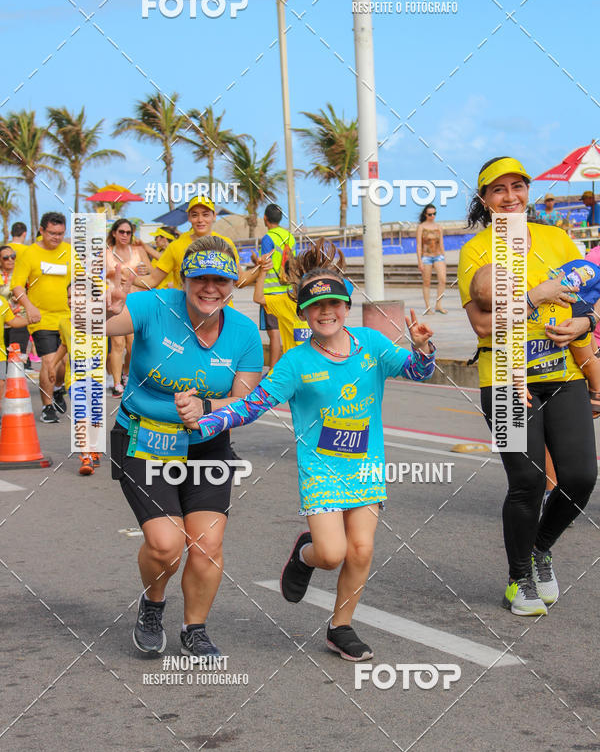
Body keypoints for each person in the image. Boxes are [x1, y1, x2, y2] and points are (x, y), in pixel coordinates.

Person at [175, 240, 436, 661]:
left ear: (346, 306)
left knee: (361, 549)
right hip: (322, 470)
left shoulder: (372, 344)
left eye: (333, 303)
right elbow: (252, 405)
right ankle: (304, 554)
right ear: (303, 313)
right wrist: (205, 421)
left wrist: (422, 349)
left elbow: (417, 372)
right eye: (316, 306)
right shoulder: (295, 363)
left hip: (366, 466)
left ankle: (341, 627)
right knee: (331, 555)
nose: (326, 312)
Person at [108, 235, 263, 658]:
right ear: (183, 279)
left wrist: (206, 407)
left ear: (233, 284)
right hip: (144, 439)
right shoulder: (153, 305)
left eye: (221, 280)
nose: (210, 288)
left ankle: (194, 628)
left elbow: (246, 402)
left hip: (207, 446)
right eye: (200, 279)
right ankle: (153, 604)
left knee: (207, 545)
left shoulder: (245, 332)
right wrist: (103, 308)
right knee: (166, 544)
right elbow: (102, 326)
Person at [458, 156, 597, 616]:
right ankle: (518, 579)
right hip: (503, 380)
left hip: (564, 375)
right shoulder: (475, 251)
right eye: (498, 189)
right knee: (527, 481)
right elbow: (483, 326)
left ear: (527, 191)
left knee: (580, 477)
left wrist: (586, 323)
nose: (510, 196)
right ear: (484, 199)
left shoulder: (557, 239)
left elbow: (589, 295)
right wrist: (536, 296)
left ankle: (540, 548)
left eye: (517, 186)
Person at [469, 260, 600, 414]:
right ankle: (596, 390)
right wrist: (520, 384)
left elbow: (550, 279)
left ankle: (596, 386)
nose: (514, 281)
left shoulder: (528, 285)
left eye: (508, 275)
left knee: (588, 359)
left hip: (574, 316)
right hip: (569, 324)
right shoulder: (513, 326)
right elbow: (515, 357)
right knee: (588, 359)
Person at [11, 211, 72, 423]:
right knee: (48, 361)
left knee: (64, 365)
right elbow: (17, 285)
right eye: (52, 233)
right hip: (41, 318)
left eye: (60, 234)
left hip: (67, 318)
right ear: (42, 230)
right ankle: (47, 407)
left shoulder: (69, 251)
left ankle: (58, 388)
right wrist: (28, 306)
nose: (56, 237)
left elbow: (82, 279)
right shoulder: (30, 253)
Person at [48, 283, 105, 475]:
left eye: (78, 296)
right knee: (82, 415)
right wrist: (52, 364)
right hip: (75, 380)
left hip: (96, 379)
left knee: (95, 419)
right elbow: (64, 345)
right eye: (69, 297)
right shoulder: (64, 322)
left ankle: (93, 448)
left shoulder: (100, 320)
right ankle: (86, 456)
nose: (72, 301)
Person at [143, 196, 240, 290]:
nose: (200, 220)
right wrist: (133, 277)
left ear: (214, 216)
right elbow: (153, 280)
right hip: (185, 301)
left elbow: (239, 279)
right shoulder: (176, 246)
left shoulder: (226, 244)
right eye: (195, 215)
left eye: (205, 215)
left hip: (221, 301)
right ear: (189, 217)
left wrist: (252, 272)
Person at [105, 218, 153, 397]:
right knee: (117, 344)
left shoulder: (138, 251)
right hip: (115, 302)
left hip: (136, 301)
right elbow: (93, 275)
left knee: (133, 346)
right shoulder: (106, 252)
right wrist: (111, 273)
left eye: (128, 232)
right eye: (121, 232)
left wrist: (144, 272)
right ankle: (117, 383)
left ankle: (126, 374)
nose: (125, 235)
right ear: (114, 233)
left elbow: (151, 272)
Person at [257, 204, 296, 366]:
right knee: (286, 330)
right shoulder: (290, 236)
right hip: (288, 291)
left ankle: (273, 370)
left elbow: (265, 262)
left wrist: (256, 262)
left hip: (270, 292)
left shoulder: (268, 238)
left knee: (274, 333)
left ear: (265, 218)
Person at [253, 254, 310, 353]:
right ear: (287, 277)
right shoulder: (284, 300)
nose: (300, 278)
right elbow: (258, 298)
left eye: (303, 273)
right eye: (296, 274)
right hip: (293, 361)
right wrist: (263, 271)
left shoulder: (318, 299)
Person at [416, 204, 447, 314]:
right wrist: (419, 261)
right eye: (430, 214)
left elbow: (441, 243)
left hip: (438, 256)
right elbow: (419, 245)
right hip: (426, 257)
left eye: (434, 214)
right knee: (427, 282)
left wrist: (444, 257)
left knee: (443, 280)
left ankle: (438, 305)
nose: (432, 216)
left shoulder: (439, 227)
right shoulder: (421, 227)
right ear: (425, 214)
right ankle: (428, 307)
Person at [0, 244, 29, 361]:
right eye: (6, 258)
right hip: (2, 321)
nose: (10, 260)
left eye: (13, 256)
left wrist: (24, 296)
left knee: (16, 356)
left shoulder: (23, 274)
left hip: (20, 319)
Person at [0, 292, 30, 401]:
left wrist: (30, 320)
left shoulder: (2, 302)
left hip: (0, 352)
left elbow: (12, 321)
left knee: (1, 382)